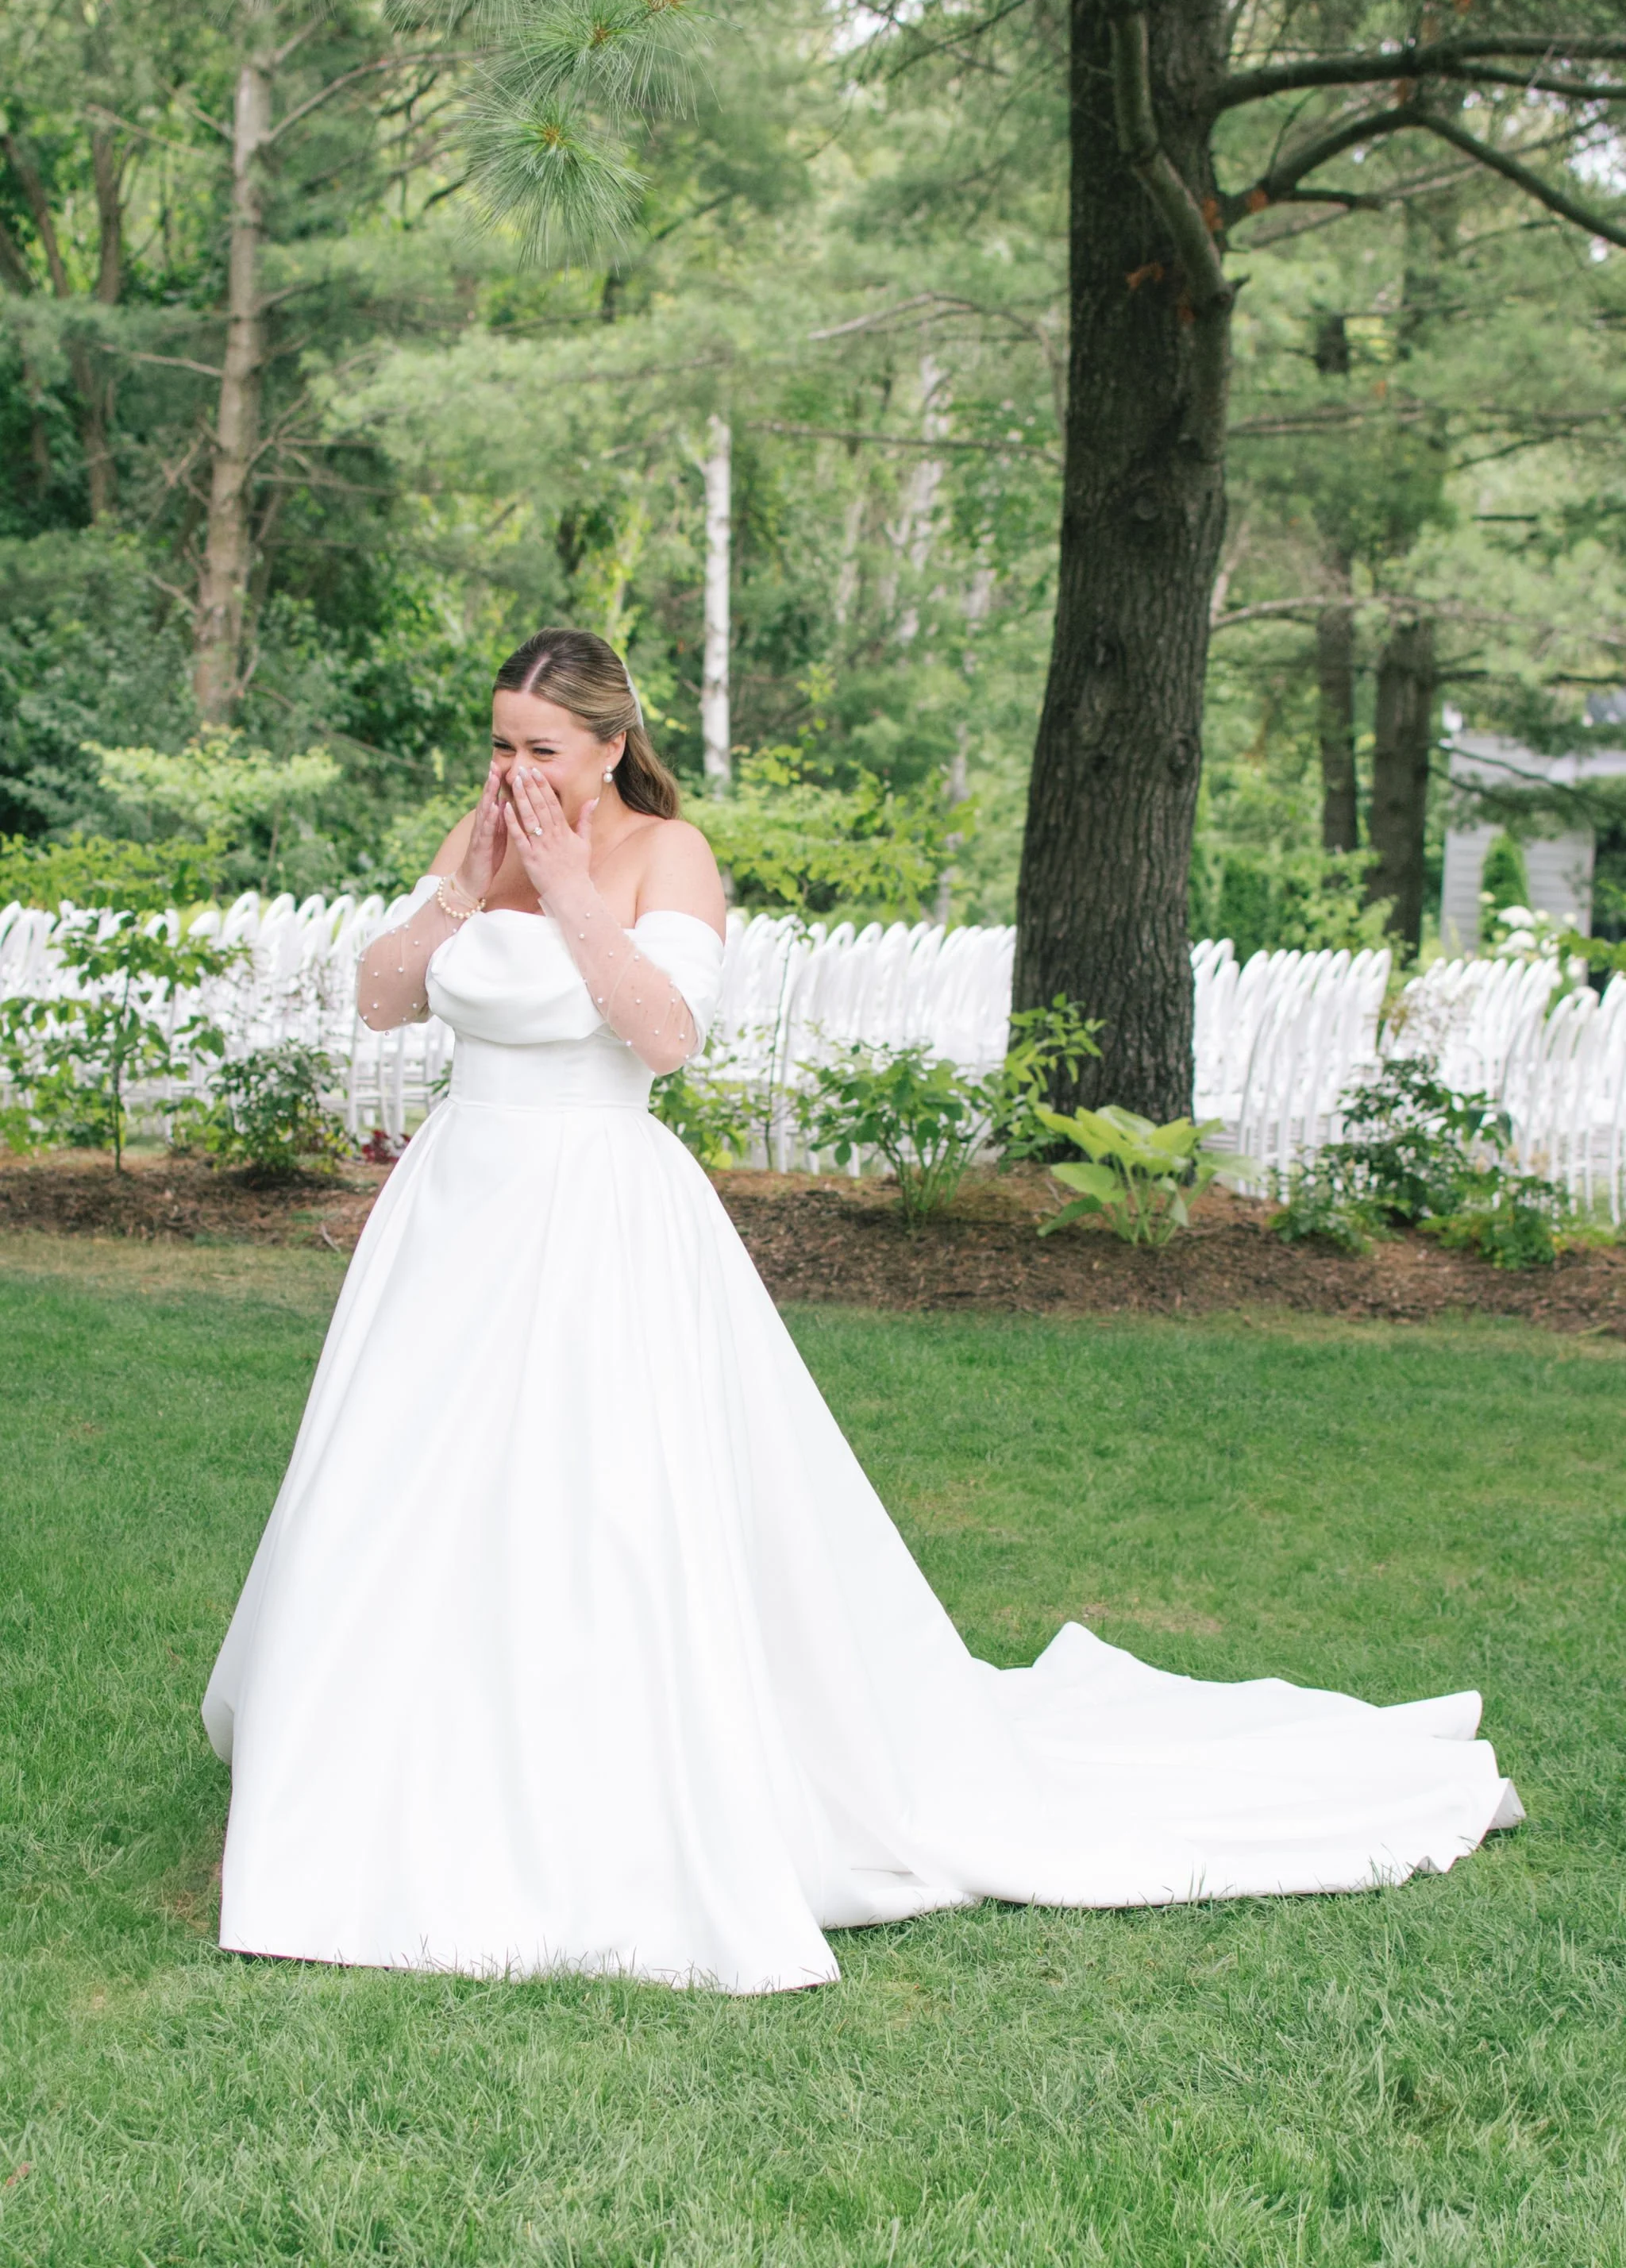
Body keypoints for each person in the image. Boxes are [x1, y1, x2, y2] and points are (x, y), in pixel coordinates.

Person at [203, 626, 1520, 1994]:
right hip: (455, 1209)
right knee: (409, 1492)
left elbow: (664, 1037)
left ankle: (594, 1785)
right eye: (499, 742)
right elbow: (379, 1002)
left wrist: (566, 889)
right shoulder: (475, 837)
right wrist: (463, 889)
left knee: (596, 1504)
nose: (513, 768)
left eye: (541, 748)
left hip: (592, 1209)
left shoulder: (672, 856)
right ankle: (392, 1766)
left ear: (610, 745)